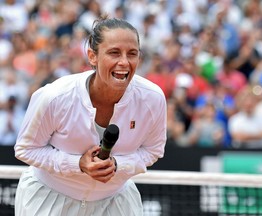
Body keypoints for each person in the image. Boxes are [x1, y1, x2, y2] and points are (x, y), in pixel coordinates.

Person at [14, 15, 167, 216]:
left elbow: (153, 151)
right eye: (114, 53)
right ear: (92, 56)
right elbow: (26, 149)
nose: (124, 62)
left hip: (115, 202)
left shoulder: (153, 98)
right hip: (48, 201)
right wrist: (77, 164)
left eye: (132, 54)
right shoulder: (55, 96)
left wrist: (118, 165)